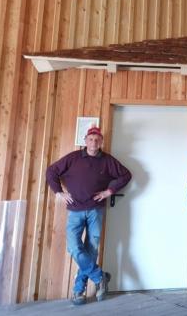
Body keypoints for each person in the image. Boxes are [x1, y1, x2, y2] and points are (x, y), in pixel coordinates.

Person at [46, 126, 132, 305]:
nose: (94, 143)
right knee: (74, 248)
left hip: (95, 210)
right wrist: (59, 192)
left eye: (97, 140)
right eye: (91, 139)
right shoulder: (73, 158)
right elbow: (51, 171)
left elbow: (126, 175)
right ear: (85, 140)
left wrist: (109, 191)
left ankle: (78, 291)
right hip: (75, 210)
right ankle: (100, 276)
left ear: (101, 142)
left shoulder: (108, 160)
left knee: (91, 250)